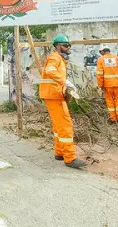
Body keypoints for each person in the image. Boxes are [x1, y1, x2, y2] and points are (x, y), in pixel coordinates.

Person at [39, 34, 87, 169]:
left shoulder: (59, 58)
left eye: (69, 45)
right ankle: (70, 158)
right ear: (58, 46)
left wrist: (65, 85)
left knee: (58, 126)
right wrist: (64, 81)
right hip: (54, 95)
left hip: (54, 95)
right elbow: (50, 71)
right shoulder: (54, 57)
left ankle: (60, 152)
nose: (68, 47)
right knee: (65, 125)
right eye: (66, 45)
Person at [96, 44, 118, 125]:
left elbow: (99, 74)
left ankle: (113, 119)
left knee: (110, 102)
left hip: (108, 85)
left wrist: (100, 85)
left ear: (102, 51)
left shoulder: (101, 59)